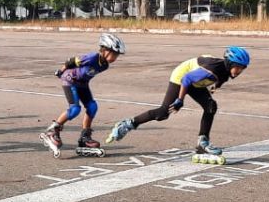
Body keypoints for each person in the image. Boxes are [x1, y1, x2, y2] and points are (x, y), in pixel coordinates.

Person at [106, 46, 251, 162]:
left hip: (196, 82)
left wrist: (214, 89)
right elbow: (186, 79)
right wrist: (179, 100)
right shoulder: (212, 70)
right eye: (238, 67)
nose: (239, 71)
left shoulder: (226, 72)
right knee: (163, 113)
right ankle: (128, 124)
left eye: (242, 68)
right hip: (182, 76)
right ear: (230, 63)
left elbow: (219, 79)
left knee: (210, 107)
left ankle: (203, 142)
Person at [40, 32, 126, 158]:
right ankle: (52, 131)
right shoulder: (92, 57)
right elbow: (71, 61)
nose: (115, 58)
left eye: (117, 55)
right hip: (70, 80)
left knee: (92, 107)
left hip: (82, 84)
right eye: (114, 54)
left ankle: (85, 137)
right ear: (105, 50)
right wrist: (61, 71)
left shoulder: (105, 65)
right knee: (75, 109)